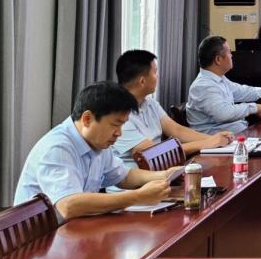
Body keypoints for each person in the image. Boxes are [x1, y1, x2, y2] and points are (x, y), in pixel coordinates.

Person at [14, 82, 178, 221]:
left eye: (122, 125)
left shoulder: (97, 142)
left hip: (75, 228)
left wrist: (165, 175)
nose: (119, 133)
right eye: (115, 124)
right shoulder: (58, 147)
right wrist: (138, 197)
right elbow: (68, 206)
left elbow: (123, 176)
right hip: (39, 240)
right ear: (87, 119)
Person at [113, 49, 234, 161]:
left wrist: (215, 139)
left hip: (159, 167)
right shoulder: (118, 114)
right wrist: (206, 143)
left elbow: (177, 130)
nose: (157, 77)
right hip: (136, 174)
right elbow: (153, 151)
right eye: (155, 72)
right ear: (142, 81)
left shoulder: (149, 103)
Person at [186, 35, 261, 135]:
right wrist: (255, 107)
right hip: (217, 143)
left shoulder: (219, 79)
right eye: (229, 52)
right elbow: (224, 113)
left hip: (236, 135)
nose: (232, 55)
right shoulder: (203, 86)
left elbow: (246, 91)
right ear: (218, 60)